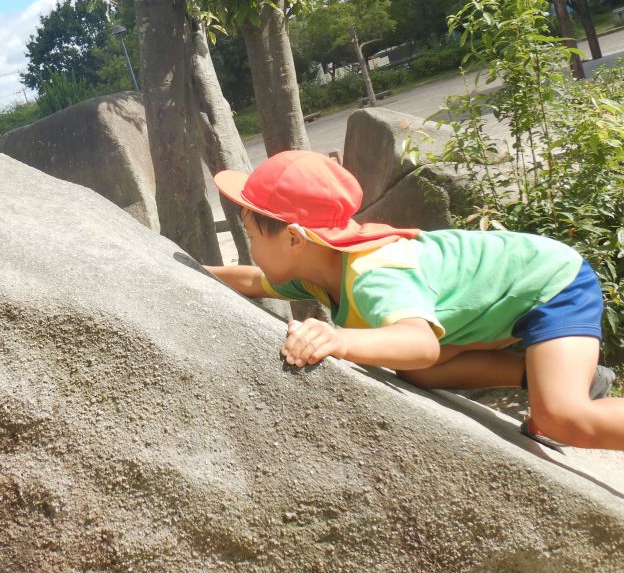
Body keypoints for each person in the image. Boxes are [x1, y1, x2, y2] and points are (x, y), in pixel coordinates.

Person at [206, 149, 624, 450]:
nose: (249, 246)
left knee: (561, 418)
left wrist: (337, 339)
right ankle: (555, 375)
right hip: (501, 302)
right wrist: (184, 270)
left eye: (250, 234)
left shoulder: (374, 275)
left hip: (548, 284)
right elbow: (255, 280)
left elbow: (422, 344)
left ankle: (563, 388)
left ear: (295, 238)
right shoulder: (321, 270)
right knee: (418, 374)